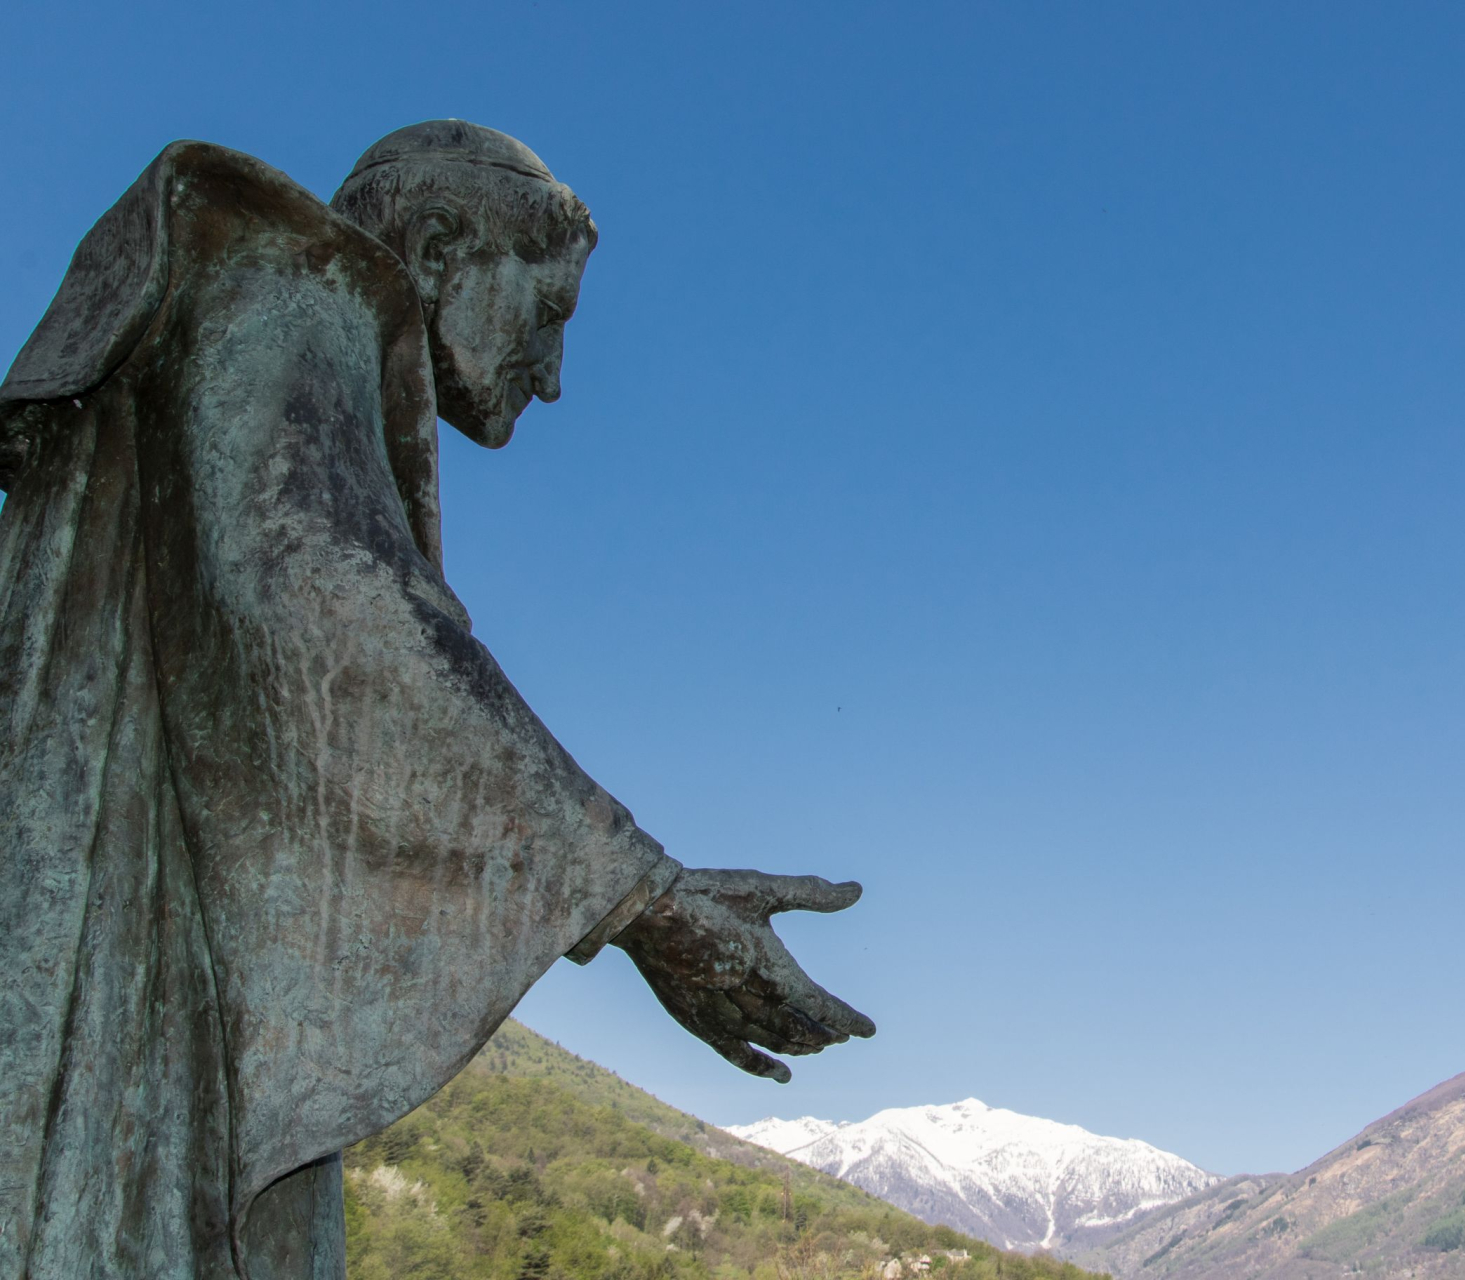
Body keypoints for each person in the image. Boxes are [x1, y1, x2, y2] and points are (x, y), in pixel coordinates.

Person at [0, 120, 872, 1280]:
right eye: (550, 313)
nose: (555, 378)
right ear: (441, 243)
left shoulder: (309, 330)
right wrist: (642, 895)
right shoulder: (285, 280)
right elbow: (327, 609)